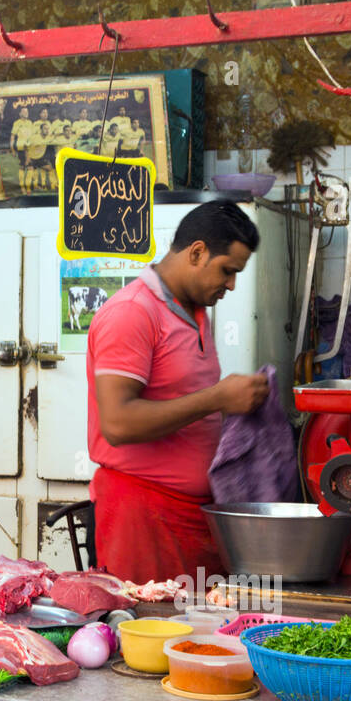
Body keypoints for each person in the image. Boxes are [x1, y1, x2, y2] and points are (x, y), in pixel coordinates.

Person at [85, 201, 269, 585]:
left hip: (193, 518)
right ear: (197, 252)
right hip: (142, 518)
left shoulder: (197, 313)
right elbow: (117, 423)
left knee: (198, 639)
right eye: (228, 271)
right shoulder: (132, 313)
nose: (232, 285)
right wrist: (218, 398)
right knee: (149, 637)